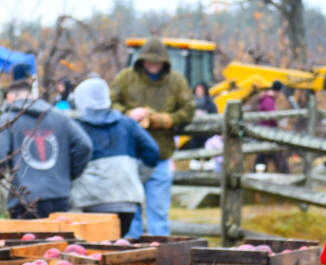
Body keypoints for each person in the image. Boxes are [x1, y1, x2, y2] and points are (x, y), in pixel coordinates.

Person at [110, 36, 194, 237]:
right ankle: (130, 253)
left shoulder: (176, 82)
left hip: (160, 155)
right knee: (131, 212)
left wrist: (165, 119)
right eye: (149, 61)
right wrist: (128, 114)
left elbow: (188, 109)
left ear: (164, 62)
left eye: (157, 62)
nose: (153, 65)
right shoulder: (125, 78)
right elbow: (111, 103)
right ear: (142, 60)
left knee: (158, 211)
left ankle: (162, 254)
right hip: (130, 156)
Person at [0, 63, 92, 219]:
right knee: (58, 242)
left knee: (27, 242)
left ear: (10, 97)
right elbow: (85, 145)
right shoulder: (59, 116)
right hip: (59, 196)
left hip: (24, 200)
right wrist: (67, 174)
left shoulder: (8, 119)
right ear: (31, 95)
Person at [70, 77, 160, 238]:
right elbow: (152, 151)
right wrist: (137, 176)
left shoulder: (77, 127)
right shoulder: (128, 125)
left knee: (95, 248)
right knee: (115, 243)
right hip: (127, 200)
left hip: (91, 200)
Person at [254, 88, 288, 174]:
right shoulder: (267, 100)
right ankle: (285, 174)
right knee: (270, 155)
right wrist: (280, 120)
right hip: (267, 134)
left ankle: (257, 173)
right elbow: (273, 115)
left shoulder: (268, 100)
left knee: (265, 156)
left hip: (267, 133)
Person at [185, 82, 218, 151]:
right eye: (197, 90)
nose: (199, 92)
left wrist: (205, 115)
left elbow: (215, 114)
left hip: (207, 131)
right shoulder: (191, 102)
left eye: (200, 90)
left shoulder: (209, 102)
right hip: (194, 130)